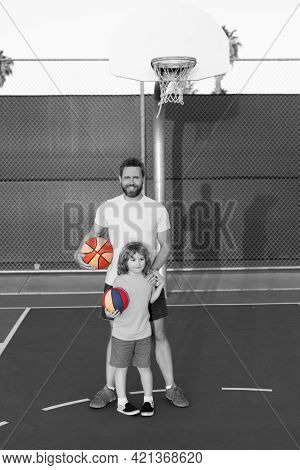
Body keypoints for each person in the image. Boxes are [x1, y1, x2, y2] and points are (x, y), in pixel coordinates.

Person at [75, 157, 189, 408]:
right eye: (127, 177)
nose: (131, 181)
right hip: (117, 283)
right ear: (120, 180)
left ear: (142, 179)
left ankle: (171, 388)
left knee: (159, 334)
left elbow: (166, 245)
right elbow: (95, 236)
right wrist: (80, 250)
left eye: (136, 177)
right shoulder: (107, 207)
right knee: (117, 335)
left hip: (149, 280)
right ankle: (109, 389)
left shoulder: (157, 208)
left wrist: (152, 271)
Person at [106, 241, 165, 416]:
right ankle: (122, 402)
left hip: (143, 334)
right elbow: (112, 305)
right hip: (122, 335)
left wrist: (160, 285)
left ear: (146, 261)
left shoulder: (148, 280)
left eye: (141, 259)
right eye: (132, 259)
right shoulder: (119, 280)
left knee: (145, 368)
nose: (137, 263)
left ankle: (148, 400)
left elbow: (149, 300)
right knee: (121, 369)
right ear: (125, 262)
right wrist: (110, 314)